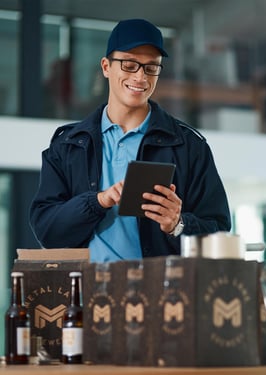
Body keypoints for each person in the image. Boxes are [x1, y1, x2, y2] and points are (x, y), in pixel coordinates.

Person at [30, 18, 231, 262]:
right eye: (129, 65)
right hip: (89, 295)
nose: (140, 77)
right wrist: (98, 201)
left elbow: (218, 233)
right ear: (106, 67)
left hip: (163, 294)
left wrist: (177, 224)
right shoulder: (67, 145)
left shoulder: (189, 146)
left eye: (151, 67)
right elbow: (48, 232)